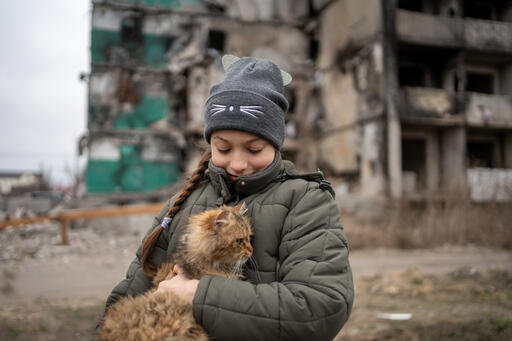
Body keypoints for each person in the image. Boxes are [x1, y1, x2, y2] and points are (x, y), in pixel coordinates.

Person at [102, 55, 354, 340]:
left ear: (276, 143)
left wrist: (198, 296)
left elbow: (320, 308)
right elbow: (130, 293)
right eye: (223, 148)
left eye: (254, 149)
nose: (236, 164)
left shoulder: (307, 201)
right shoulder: (182, 203)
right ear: (210, 143)